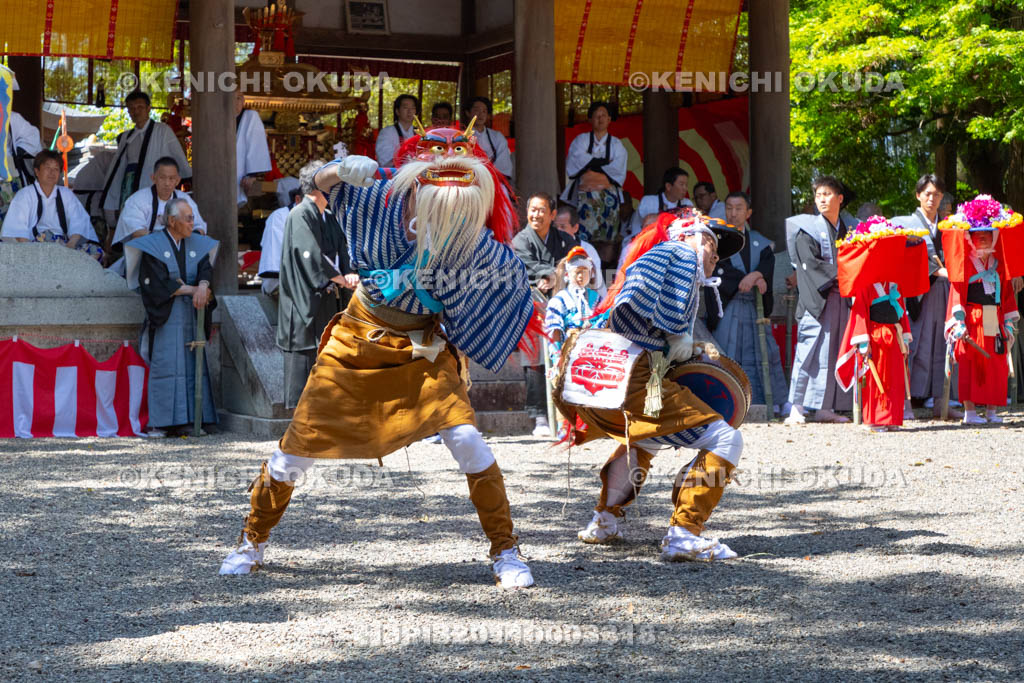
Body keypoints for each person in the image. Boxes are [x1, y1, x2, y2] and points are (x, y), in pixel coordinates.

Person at [219, 122, 537, 588]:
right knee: (295, 452)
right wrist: (337, 169)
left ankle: (506, 549)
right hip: (357, 338)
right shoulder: (378, 196)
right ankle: (251, 539)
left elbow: (503, 277)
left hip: (423, 349)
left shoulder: (467, 227)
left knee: (468, 439)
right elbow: (317, 187)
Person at [555, 212, 746, 561]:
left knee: (647, 438)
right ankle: (684, 534)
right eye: (712, 244)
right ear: (693, 235)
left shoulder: (661, 258)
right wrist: (684, 344)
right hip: (635, 375)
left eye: (717, 253)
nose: (714, 257)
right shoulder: (682, 255)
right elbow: (672, 332)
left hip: (612, 373)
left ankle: (604, 520)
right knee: (726, 437)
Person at [124, 197, 218, 435]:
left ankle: (195, 417)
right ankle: (164, 422)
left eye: (192, 218)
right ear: (172, 221)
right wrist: (193, 289)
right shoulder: (154, 246)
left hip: (191, 315)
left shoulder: (196, 243)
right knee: (167, 366)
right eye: (187, 219)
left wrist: (204, 285)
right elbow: (156, 284)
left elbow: (205, 269)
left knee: (191, 365)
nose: (192, 223)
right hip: (167, 318)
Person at [276, 160, 359, 409]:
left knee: (326, 360)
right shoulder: (300, 214)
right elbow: (309, 254)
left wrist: (350, 273)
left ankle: (321, 419)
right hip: (303, 305)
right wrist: (341, 279)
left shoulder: (329, 217)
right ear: (319, 186)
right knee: (303, 361)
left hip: (325, 300)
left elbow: (343, 250)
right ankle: (298, 425)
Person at [709, 192, 789, 412]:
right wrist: (752, 277)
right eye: (729, 208)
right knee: (727, 352)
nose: (733, 213)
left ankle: (767, 401)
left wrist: (755, 276)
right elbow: (718, 271)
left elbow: (767, 265)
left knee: (764, 352)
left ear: (748, 213)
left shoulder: (760, 242)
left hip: (755, 308)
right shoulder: (719, 241)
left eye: (738, 208)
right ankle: (726, 400)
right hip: (730, 306)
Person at [784, 176, 854, 423]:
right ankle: (796, 407)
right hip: (818, 298)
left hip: (841, 299)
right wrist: (844, 274)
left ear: (840, 198)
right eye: (818, 195)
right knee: (809, 351)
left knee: (834, 350)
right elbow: (808, 266)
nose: (822, 199)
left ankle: (826, 408)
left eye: (827, 194)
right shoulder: (807, 230)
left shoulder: (847, 229)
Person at [944, 198, 1019, 424]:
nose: (983, 236)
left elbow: (1006, 294)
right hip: (972, 315)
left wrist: (1007, 323)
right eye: (977, 233)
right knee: (970, 361)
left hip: (992, 316)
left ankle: (992, 411)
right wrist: (959, 323)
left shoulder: (999, 263)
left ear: (995, 235)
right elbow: (957, 292)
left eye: (987, 231)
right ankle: (970, 412)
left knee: (995, 362)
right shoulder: (965, 263)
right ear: (970, 237)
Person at [892, 175, 961, 418]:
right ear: (918, 195)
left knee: (943, 345)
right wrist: (941, 271)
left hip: (943, 291)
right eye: (928, 194)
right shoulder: (905, 224)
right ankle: (905, 402)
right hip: (916, 294)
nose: (933, 199)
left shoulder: (948, 226)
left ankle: (941, 401)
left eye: (937, 194)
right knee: (914, 346)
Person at [512, 192, 577, 437]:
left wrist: (554, 276)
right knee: (536, 359)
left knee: (567, 354)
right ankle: (539, 415)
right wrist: (554, 273)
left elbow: (574, 262)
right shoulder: (521, 240)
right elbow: (529, 268)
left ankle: (569, 413)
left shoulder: (563, 239)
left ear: (552, 215)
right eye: (533, 210)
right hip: (532, 306)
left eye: (542, 210)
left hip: (562, 304)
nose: (536, 215)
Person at [99, 90, 191, 224]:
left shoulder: (162, 130)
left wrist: (186, 176)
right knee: (130, 221)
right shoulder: (126, 136)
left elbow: (177, 156)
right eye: (132, 108)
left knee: (152, 220)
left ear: (148, 109)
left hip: (153, 182)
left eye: (140, 107)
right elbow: (118, 167)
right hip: (129, 184)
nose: (136, 111)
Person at [1, 150, 100, 258]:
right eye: (47, 168)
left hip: (63, 245)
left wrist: (70, 246)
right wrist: (30, 254)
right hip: (35, 246)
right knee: (46, 237)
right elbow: (18, 233)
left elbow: (79, 221)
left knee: (96, 252)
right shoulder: (24, 195)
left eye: (56, 169)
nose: (52, 172)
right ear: (37, 171)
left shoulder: (66, 193)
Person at [559, 101, 627, 244]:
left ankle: (607, 264)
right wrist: (603, 164)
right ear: (590, 119)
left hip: (608, 197)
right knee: (585, 236)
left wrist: (591, 166)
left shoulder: (616, 144)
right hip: (585, 197)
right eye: (597, 116)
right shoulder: (581, 140)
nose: (600, 119)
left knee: (608, 238)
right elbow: (575, 162)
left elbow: (617, 170)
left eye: (604, 116)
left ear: (609, 119)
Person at [112, 157, 207, 246]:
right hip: (147, 248)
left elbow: (199, 227)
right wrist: (167, 240)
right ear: (153, 178)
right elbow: (137, 232)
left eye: (171, 178)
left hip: (179, 247)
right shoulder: (137, 200)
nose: (167, 183)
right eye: (162, 178)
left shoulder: (185, 200)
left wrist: (192, 234)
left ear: (177, 181)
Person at [544, 246, 602, 363]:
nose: (581, 276)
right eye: (577, 272)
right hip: (569, 355)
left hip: (594, 353)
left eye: (584, 271)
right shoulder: (559, 300)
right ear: (568, 274)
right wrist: (557, 357)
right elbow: (554, 331)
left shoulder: (597, 298)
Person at [625, 167, 694, 241]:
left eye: (686, 185)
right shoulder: (649, 201)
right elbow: (650, 223)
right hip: (641, 242)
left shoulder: (687, 203)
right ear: (668, 186)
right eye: (681, 184)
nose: (685, 189)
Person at [257, 187, 303, 296]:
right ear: (298, 200)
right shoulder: (279, 217)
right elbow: (276, 261)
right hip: (280, 280)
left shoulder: (325, 215)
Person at [554, 204, 607, 297]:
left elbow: (596, 282)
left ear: (575, 228)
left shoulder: (587, 250)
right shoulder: (549, 246)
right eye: (555, 227)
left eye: (563, 227)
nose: (558, 231)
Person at [234, 90, 272, 206]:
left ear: (244, 100)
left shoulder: (250, 117)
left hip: (240, 174)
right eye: (232, 98)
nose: (236, 102)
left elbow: (256, 145)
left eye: (239, 98)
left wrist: (252, 175)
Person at [464, 96, 513, 180]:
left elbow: (503, 163)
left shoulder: (497, 136)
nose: (481, 114)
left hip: (493, 179)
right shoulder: (460, 136)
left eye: (484, 111)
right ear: (468, 113)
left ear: (488, 115)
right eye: (476, 110)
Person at [374, 94, 419, 167]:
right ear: (397, 111)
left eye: (413, 108)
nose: (409, 111)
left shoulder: (419, 133)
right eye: (405, 107)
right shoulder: (386, 132)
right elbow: (384, 160)